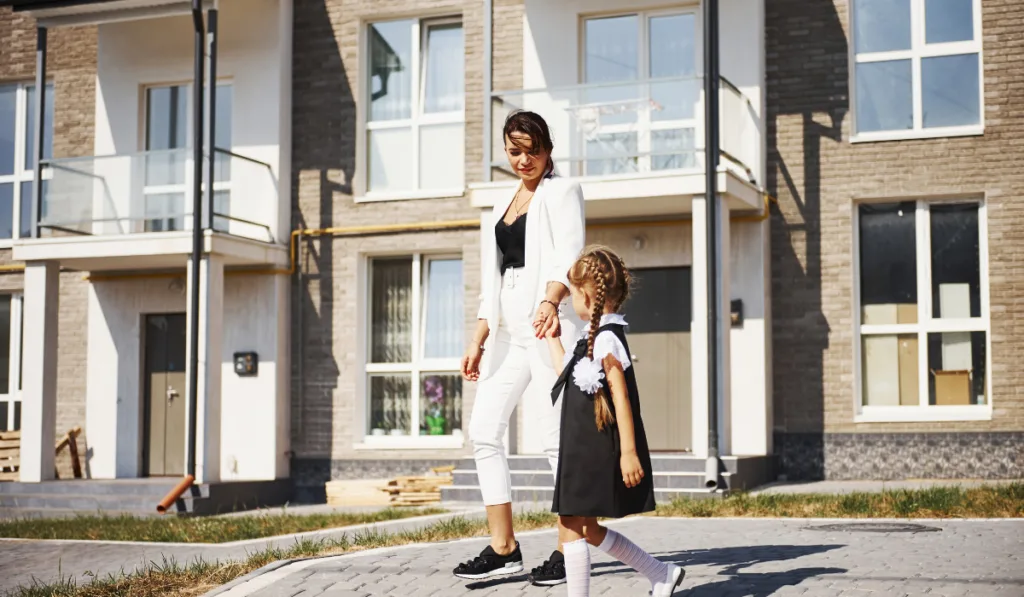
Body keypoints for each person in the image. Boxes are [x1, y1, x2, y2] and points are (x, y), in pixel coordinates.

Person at [453, 110, 586, 585]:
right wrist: (478, 338)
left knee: (555, 442)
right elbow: (495, 280)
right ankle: (504, 546)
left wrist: (552, 301)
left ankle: (567, 550)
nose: (524, 159)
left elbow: (570, 254)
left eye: (533, 150)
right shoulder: (500, 205)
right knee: (484, 430)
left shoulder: (562, 192)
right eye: (515, 151)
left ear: (548, 149)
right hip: (507, 334)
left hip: (547, 328)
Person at [544, 246, 685, 597]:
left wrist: (628, 453)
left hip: (595, 448)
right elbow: (568, 375)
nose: (571, 300)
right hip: (581, 446)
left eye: (573, 293)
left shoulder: (606, 338)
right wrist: (553, 338)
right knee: (586, 527)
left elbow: (622, 398)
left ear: (587, 294)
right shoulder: (591, 336)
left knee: (571, 523)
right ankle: (661, 573)